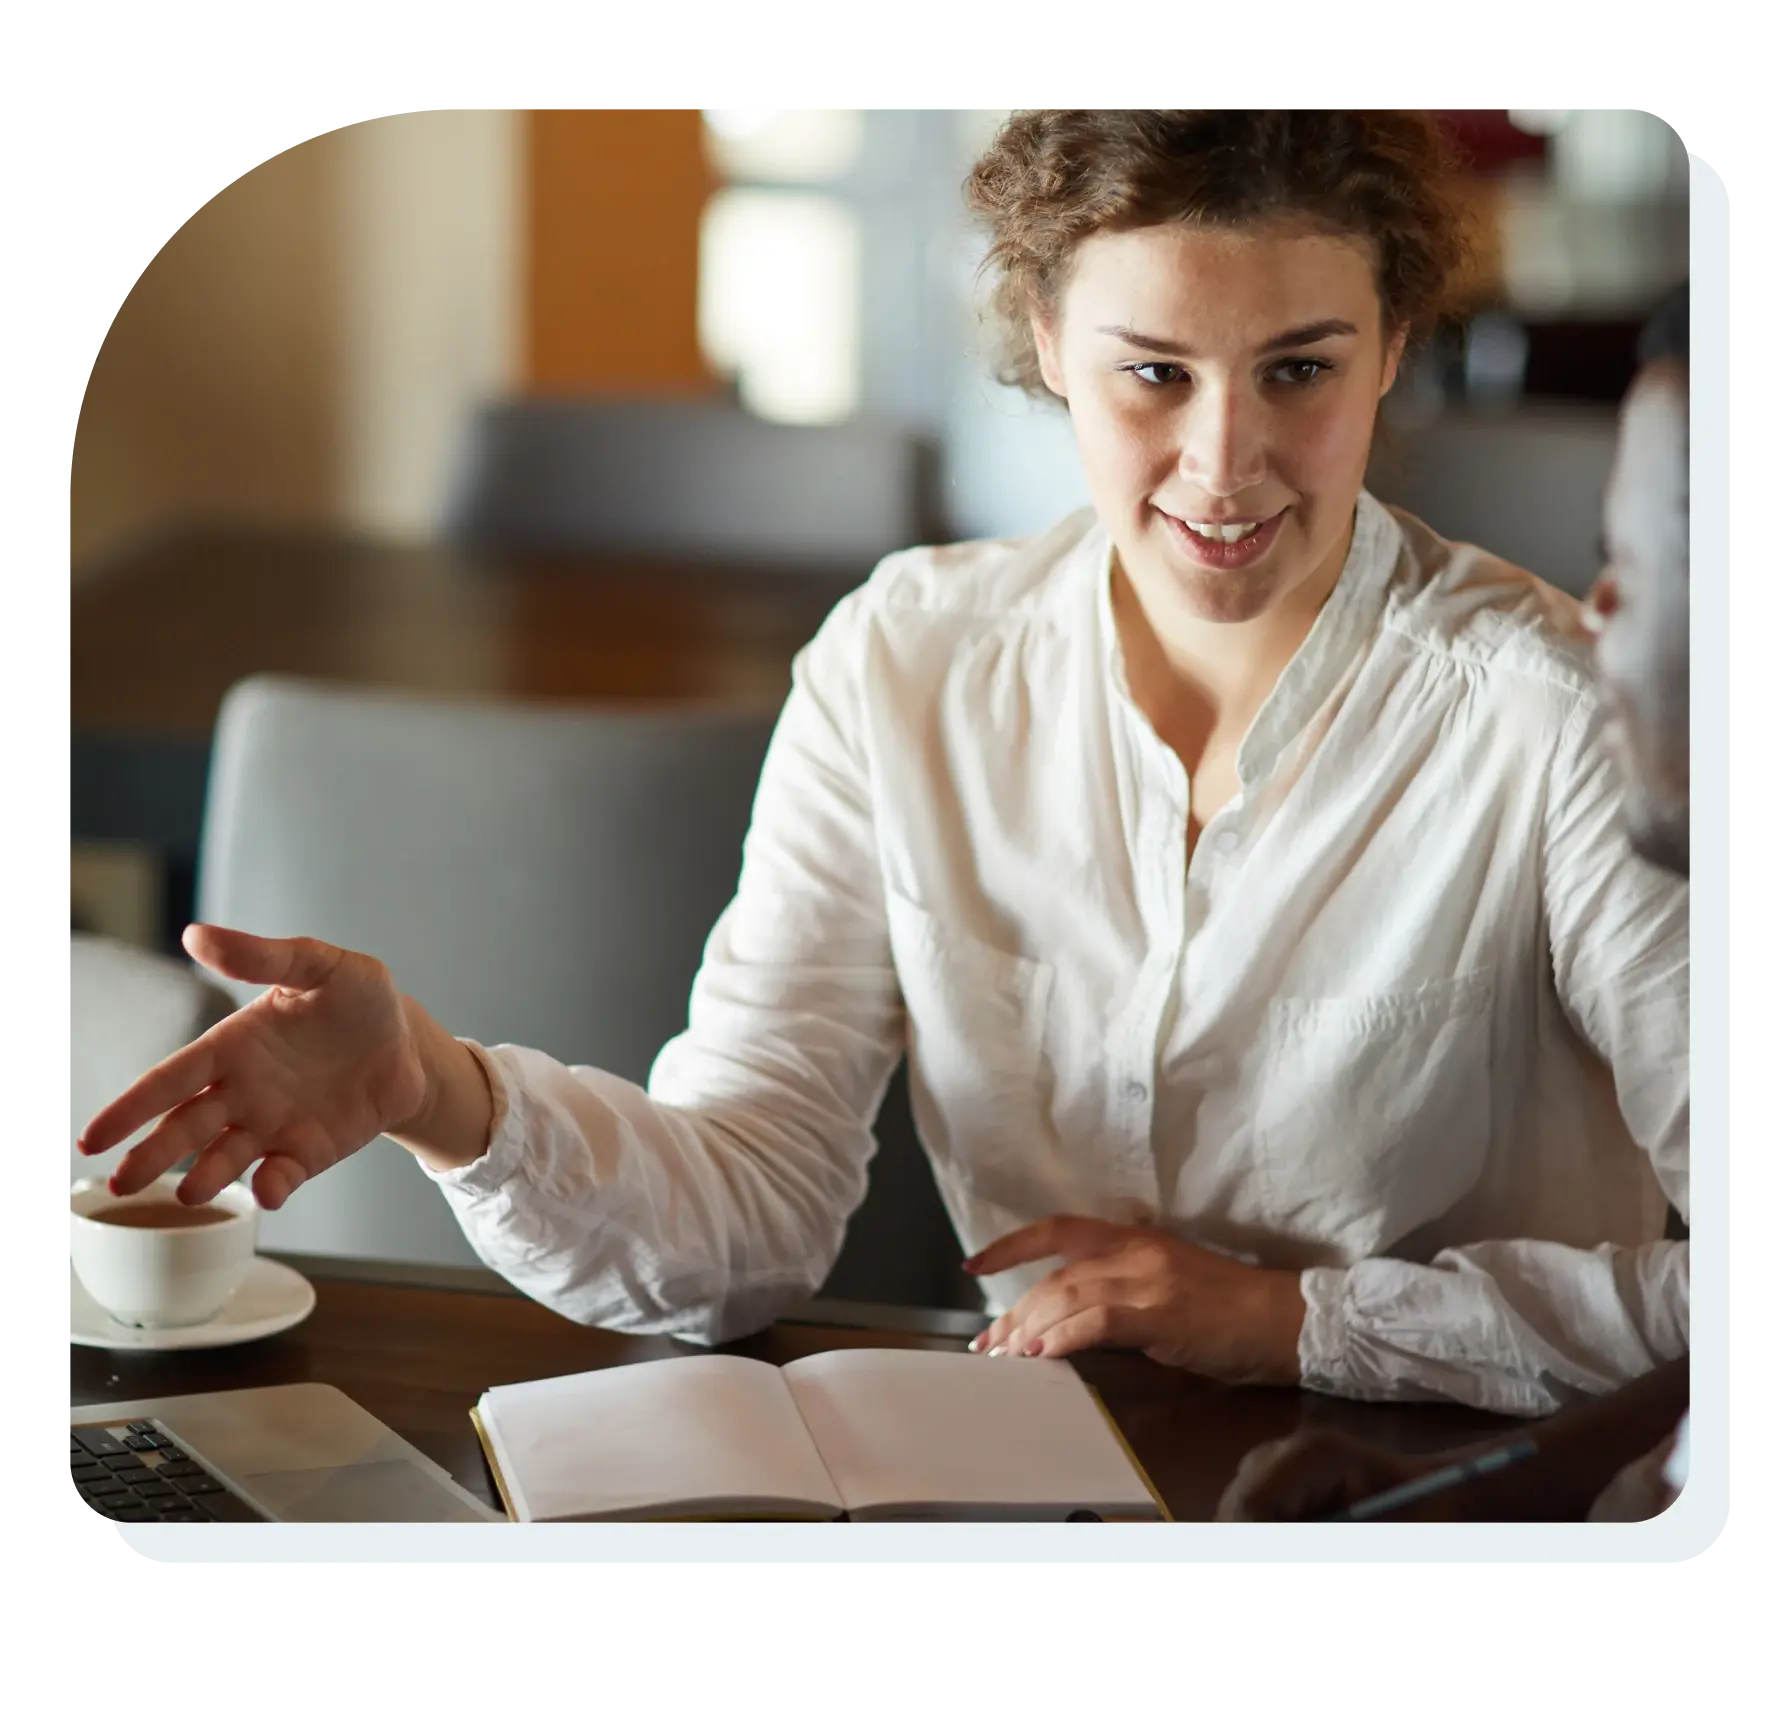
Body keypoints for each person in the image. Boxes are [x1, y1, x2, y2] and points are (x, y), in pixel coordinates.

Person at [78, 107, 1689, 1417]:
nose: (1224, 462)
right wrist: (441, 1092)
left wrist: (1295, 1324)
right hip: (1033, 1470)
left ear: (1397, 342)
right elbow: (747, 1212)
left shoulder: (1556, 712)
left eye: (1300, 369)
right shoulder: (903, 660)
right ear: (1048, 338)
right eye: (1153, 372)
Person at [1216, 282, 1694, 1520]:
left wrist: (1310, 1323)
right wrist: (1466, 1490)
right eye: (1611, 557)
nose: (1600, 613)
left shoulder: (1533, 713)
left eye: (1653, 561)